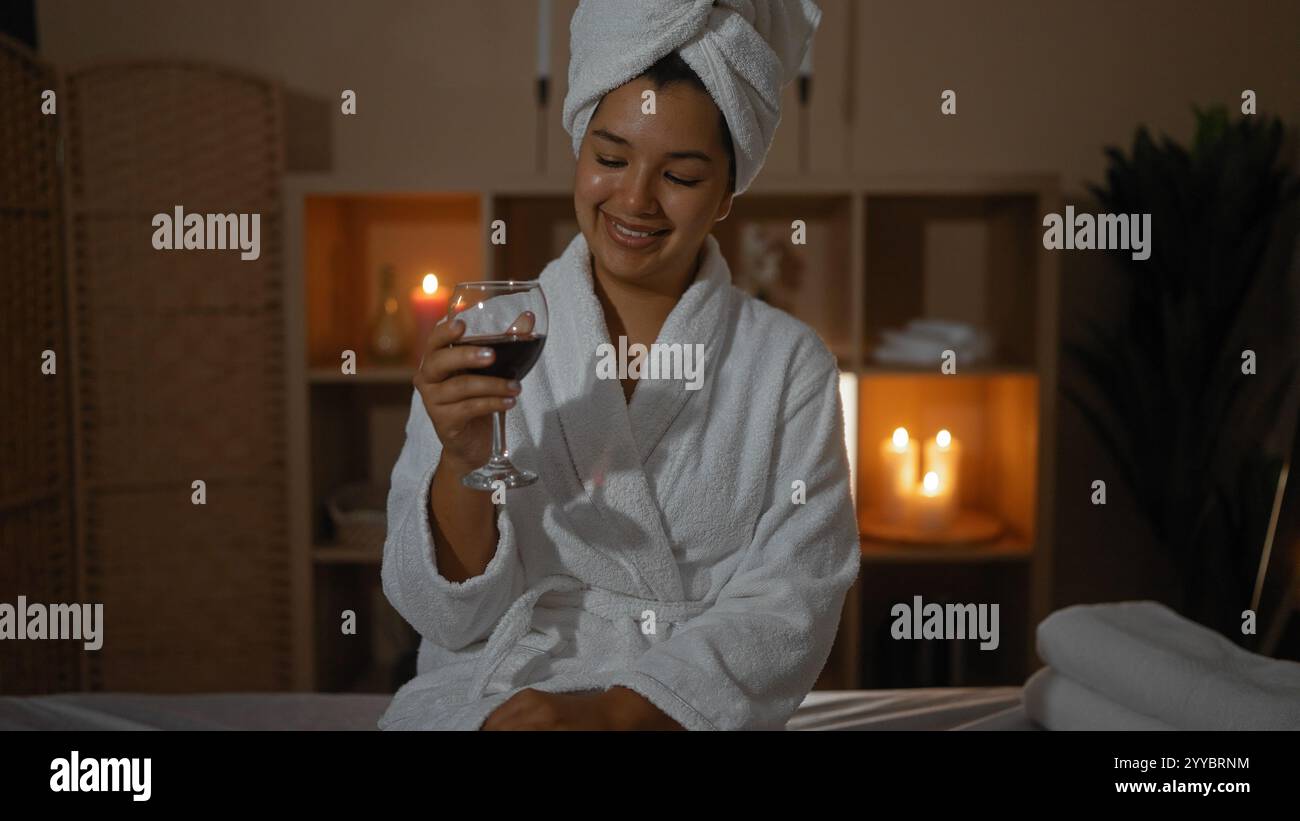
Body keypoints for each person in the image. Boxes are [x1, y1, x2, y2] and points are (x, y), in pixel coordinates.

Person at [379, 0, 858, 730]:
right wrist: (460, 460)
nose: (634, 200)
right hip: (503, 692)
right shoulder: (487, 337)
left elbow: (793, 601)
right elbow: (439, 609)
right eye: (610, 158)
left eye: (683, 176)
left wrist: (614, 713)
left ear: (729, 192)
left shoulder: (791, 367)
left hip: (678, 711)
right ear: (579, 150)